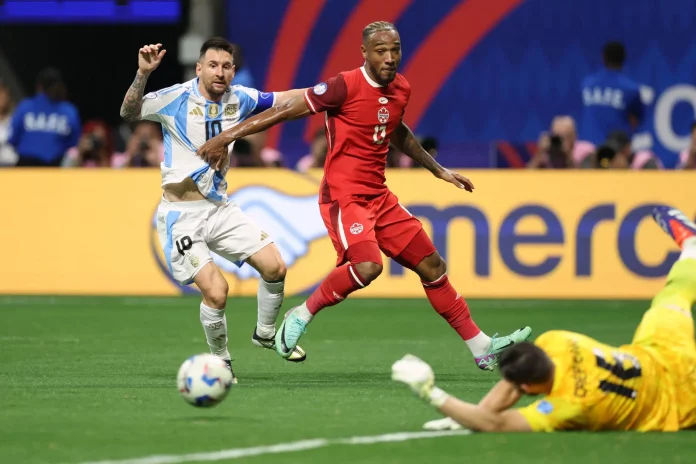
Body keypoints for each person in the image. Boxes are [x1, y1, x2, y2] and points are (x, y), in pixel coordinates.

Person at [197, 21, 532, 371]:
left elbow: (397, 130)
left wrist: (437, 169)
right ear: (365, 53)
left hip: (379, 197)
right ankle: (300, 316)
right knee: (368, 265)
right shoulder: (343, 86)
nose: (390, 58)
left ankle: (481, 347)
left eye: (396, 49)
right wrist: (228, 136)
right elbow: (284, 110)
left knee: (433, 266)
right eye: (381, 51)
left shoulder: (401, 88)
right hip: (344, 198)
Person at [392, 205, 696, 433]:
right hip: (659, 351)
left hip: (682, 400)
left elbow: (496, 424)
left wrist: (432, 394)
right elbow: (515, 383)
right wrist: (470, 414)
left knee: (669, 301)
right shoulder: (558, 340)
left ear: (528, 389)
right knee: (672, 298)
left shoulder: (569, 407)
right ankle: (691, 248)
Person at [118, 37, 307, 382]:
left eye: (226, 66)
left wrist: (334, 90)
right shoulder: (175, 97)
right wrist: (142, 75)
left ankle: (265, 333)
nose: (220, 73)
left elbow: (286, 98)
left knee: (275, 266)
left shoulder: (241, 98)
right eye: (213, 65)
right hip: (181, 216)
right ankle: (221, 361)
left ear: (233, 70)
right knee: (217, 292)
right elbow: (129, 112)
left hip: (220, 209)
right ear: (199, 68)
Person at [9, 68, 81, 166]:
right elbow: (73, 143)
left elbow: (13, 138)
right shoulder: (69, 110)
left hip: (27, 166)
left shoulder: (26, 106)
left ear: (39, 87)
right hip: (53, 167)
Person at [580, 42, 645, 146]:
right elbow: (634, 122)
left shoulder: (587, 84)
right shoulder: (631, 88)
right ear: (624, 59)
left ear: (603, 57)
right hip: (615, 151)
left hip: (589, 149)